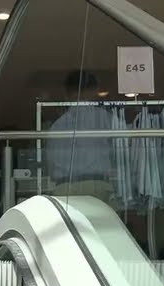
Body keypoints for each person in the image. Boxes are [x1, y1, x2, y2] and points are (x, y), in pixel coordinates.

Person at [46, 70, 115, 204]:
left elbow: (50, 166)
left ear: (67, 94)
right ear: (95, 91)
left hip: (64, 188)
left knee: (67, 225)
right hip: (96, 186)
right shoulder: (105, 118)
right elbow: (120, 150)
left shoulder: (57, 126)